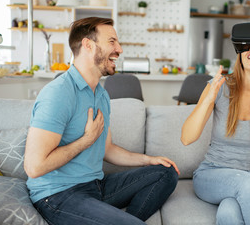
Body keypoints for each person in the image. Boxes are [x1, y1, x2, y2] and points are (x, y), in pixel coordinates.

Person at [24, 17, 179, 225]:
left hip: (95, 186)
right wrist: (85, 140)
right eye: (112, 42)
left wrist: (148, 159)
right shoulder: (58, 93)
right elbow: (34, 167)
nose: (120, 49)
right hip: (58, 195)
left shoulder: (101, 95)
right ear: (88, 45)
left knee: (166, 173)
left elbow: (107, 149)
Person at [181, 22, 250, 225]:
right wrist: (208, 99)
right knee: (246, 185)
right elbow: (187, 138)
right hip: (212, 173)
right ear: (239, 53)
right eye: (247, 46)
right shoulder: (219, 88)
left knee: (228, 214)